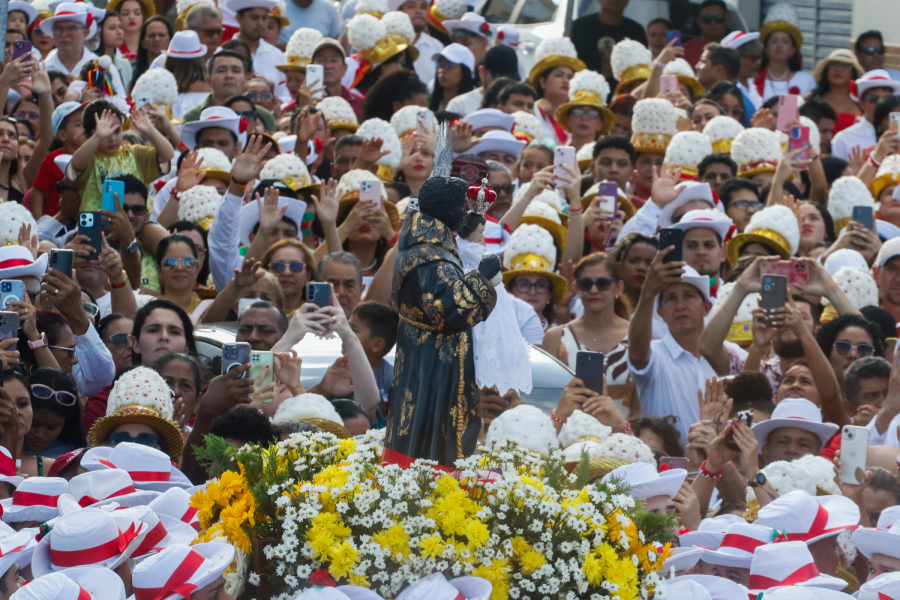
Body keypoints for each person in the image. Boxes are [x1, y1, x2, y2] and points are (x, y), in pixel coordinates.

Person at [627, 247, 717, 442]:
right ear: (660, 312)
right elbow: (637, 354)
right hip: (666, 471)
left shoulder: (730, 354)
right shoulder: (654, 354)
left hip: (724, 469)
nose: (680, 305)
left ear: (707, 307)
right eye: (671, 298)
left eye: (688, 296)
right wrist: (648, 292)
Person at [544, 254, 631, 400]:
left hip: (624, 422)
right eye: (586, 284)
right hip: (570, 421)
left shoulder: (637, 335)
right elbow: (546, 398)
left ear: (618, 287)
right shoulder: (555, 337)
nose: (594, 290)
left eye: (603, 283)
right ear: (577, 288)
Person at [67, 100, 174, 214]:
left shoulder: (135, 153)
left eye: (117, 131)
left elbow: (168, 155)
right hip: (98, 225)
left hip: (136, 223)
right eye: (105, 133)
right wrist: (97, 137)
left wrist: (151, 131)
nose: (112, 138)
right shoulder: (88, 158)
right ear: (88, 135)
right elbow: (76, 164)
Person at [229, 0, 289, 104]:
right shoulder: (222, 54)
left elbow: (284, 93)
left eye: (264, 18)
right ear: (239, 19)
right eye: (254, 18)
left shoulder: (277, 56)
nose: (260, 23)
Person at [755, 5, 816, 101]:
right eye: (774, 41)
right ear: (765, 48)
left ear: (793, 49)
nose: (779, 45)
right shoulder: (752, 79)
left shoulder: (807, 80)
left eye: (785, 42)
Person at [570, 0, 647, 75]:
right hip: (584, 85)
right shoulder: (580, 27)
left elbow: (642, 67)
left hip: (625, 86)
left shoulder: (636, 31)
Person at [347, 301, 399, 410]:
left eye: (353, 330)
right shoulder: (336, 371)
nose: (345, 333)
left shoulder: (391, 379)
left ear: (377, 345)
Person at [25, 368, 85, 460]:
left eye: (52, 428)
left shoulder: (71, 459)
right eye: (33, 424)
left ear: (66, 423)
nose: (40, 434)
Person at [447, 45, 519, 118]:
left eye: (510, 80)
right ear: (482, 72)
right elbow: (445, 129)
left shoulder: (524, 104)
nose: (504, 83)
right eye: (497, 78)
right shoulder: (459, 105)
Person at [809, 49, 864, 136]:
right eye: (833, 64)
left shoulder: (863, 103)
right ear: (826, 70)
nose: (838, 69)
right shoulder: (811, 99)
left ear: (853, 73)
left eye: (846, 66)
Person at [130, 299, 197, 367]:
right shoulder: (125, 377)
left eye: (174, 332)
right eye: (153, 330)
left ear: (187, 347)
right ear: (136, 344)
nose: (164, 337)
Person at [261, 239, 314, 314]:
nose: (286, 272)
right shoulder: (253, 311)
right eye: (278, 266)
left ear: (308, 277)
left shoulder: (317, 313)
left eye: (296, 267)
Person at [681, 0, 731, 68]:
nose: (713, 23)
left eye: (719, 19)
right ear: (699, 22)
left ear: (727, 21)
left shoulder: (736, 50)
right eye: (707, 19)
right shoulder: (683, 51)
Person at [429, 44, 476, 113]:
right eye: (440, 64)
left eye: (449, 65)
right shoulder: (427, 102)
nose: (442, 70)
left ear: (465, 71)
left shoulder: (475, 106)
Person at [129, 17, 173, 89]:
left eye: (161, 35)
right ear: (142, 42)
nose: (157, 39)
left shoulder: (180, 70)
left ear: (170, 40)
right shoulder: (131, 70)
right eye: (151, 36)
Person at [316, 251, 363, 317]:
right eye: (333, 285)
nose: (341, 293)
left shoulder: (371, 326)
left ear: (361, 291)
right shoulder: (301, 324)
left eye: (349, 285)